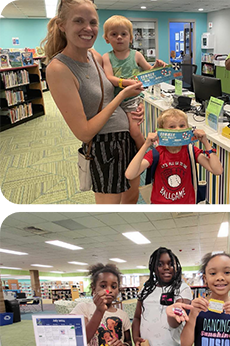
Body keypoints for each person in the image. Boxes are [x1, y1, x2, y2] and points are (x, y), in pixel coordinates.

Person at [43, 0, 146, 208]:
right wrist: (121, 96)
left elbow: (109, 87)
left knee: (131, 200)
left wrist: (130, 108)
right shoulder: (59, 69)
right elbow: (84, 132)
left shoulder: (93, 55)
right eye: (79, 21)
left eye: (93, 22)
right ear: (62, 25)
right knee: (110, 209)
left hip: (126, 140)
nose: (88, 28)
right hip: (105, 148)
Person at [124, 109, 223, 208]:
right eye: (172, 127)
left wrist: (206, 143)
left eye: (182, 126)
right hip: (161, 207)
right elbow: (130, 174)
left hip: (187, 206)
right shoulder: (156, 153)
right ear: (162, 130)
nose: (178, 129)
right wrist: (146, 145)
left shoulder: (190, 151)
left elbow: (217, 170)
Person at [133, 247, 193, 346]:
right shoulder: (146, 290)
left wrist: (172, 312)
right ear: (154, 268)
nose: (166, 267)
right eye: (160, 264)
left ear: (176, 267)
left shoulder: (182, 289)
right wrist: (135, 337)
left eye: (171, 264)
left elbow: (176, 323)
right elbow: (137, 318)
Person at [72, 263, 132, 346]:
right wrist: (99, 311)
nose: (109, 290)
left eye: (113, 286)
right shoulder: (83, 308)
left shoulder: (122, 314)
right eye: (103, 286)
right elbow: (81, 340)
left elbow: (129, 341)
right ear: (94, 289)